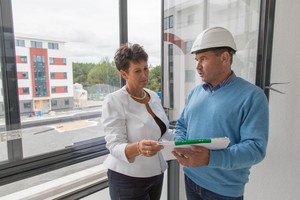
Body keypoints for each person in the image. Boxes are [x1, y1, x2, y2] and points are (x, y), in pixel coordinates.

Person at [172, 27, 269, 199]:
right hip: (191, 178)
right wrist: (181, 145)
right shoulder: (196, 92)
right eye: (196, 59)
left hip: (223, 192)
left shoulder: (252, 96)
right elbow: (181, 125)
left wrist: (210, 158)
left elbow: (255, 148)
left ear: (225, 58)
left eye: (203, 59)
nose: (197, 66)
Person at [101, 43, 169, 200]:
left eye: (145, 68)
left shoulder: (152, 96)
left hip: (155, 174)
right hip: (127, 179)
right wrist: (138, 147)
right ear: (124, 74)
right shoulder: (114, 100)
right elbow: (114, 146)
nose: (144, 75)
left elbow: (160, 131)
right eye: (137, 71)